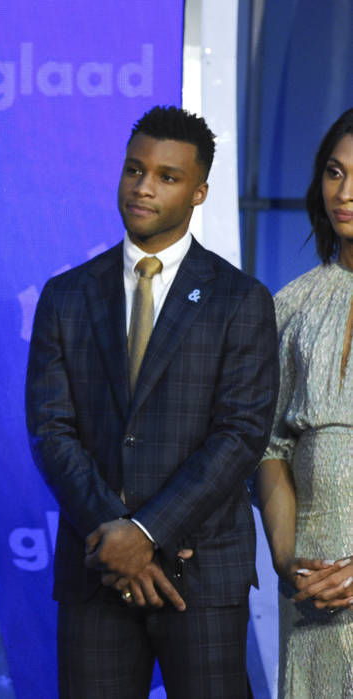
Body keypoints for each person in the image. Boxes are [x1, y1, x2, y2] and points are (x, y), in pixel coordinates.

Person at [25, 106, 279, 698]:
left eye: (167, 176)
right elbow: (49, 429)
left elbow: (240, 435)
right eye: (134, 169)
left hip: (203, 574)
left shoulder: (240, 299)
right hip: (97, 571)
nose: (143, 186)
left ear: (199, 191)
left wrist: (146, 532)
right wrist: (115, 537)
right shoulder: (66, 296)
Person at [256, 107, 353, 697]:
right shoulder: (290, 305)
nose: (346, 192)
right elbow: (269, 445)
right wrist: (288, 557)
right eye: (335, 172)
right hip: (315, 580)